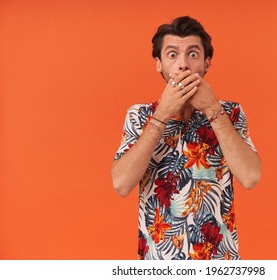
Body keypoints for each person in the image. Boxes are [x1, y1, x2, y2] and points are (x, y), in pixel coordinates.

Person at [111, 16, 261, 260]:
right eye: (172, 55)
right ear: (158, 64)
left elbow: (251, 177)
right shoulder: (139, 115)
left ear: (207, 63)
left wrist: (213, 110)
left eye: (193, 54)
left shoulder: (231, 113)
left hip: (219, 262)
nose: (183, 65)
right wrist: (161, 115)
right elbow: (121, 184)